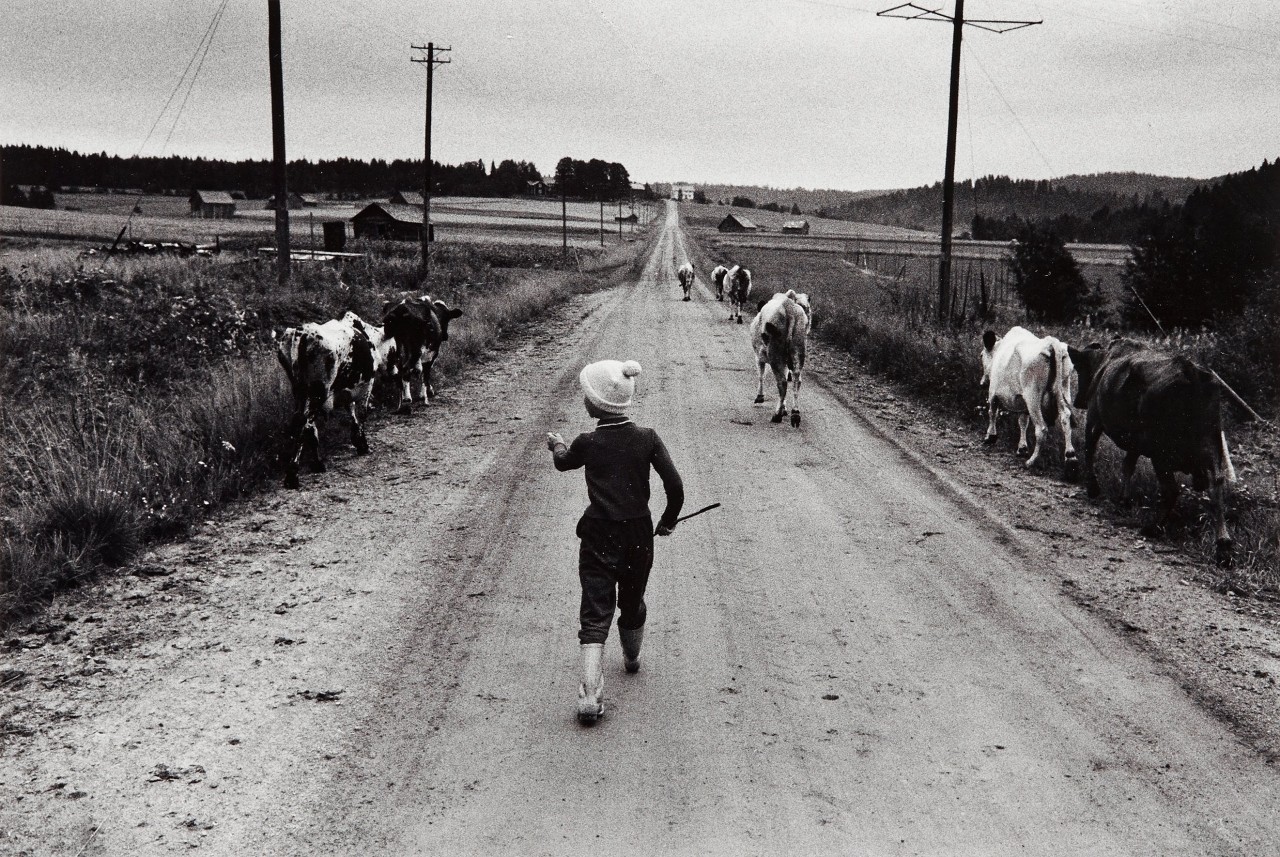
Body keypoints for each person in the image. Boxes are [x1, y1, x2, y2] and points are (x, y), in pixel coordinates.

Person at [546, 359, 684, 724]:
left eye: (587, 395)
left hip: (598, 534)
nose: (584, 400)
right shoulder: (648, 438)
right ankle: (632, 658)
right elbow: (675, 488)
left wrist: (557, 445)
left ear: (597, 404)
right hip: (639, 533)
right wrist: (668, 521)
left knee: (595, 607)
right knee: (633, 598)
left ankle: (590, 696)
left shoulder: (588, 442)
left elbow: (564, 463)